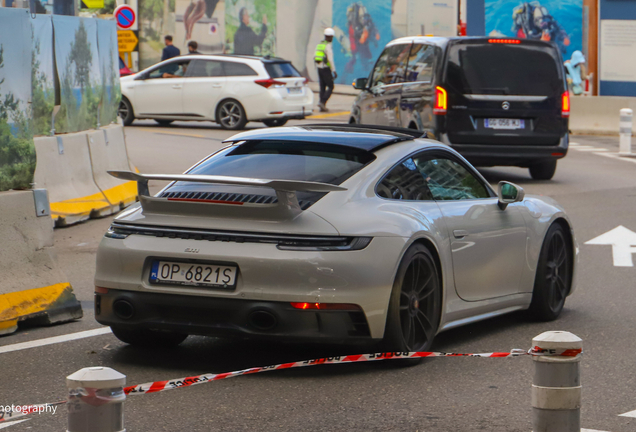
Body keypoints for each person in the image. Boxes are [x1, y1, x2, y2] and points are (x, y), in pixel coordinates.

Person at [314, 28, 337, 112]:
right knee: (331, 86)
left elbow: (315, 56)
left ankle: (321, 105)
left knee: (322, 87)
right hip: (326, 69)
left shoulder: (320, 44)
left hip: (319, 68)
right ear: (330, 37)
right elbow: (330, 59)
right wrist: (334, 70)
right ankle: (323, 102)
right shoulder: (328, 46)